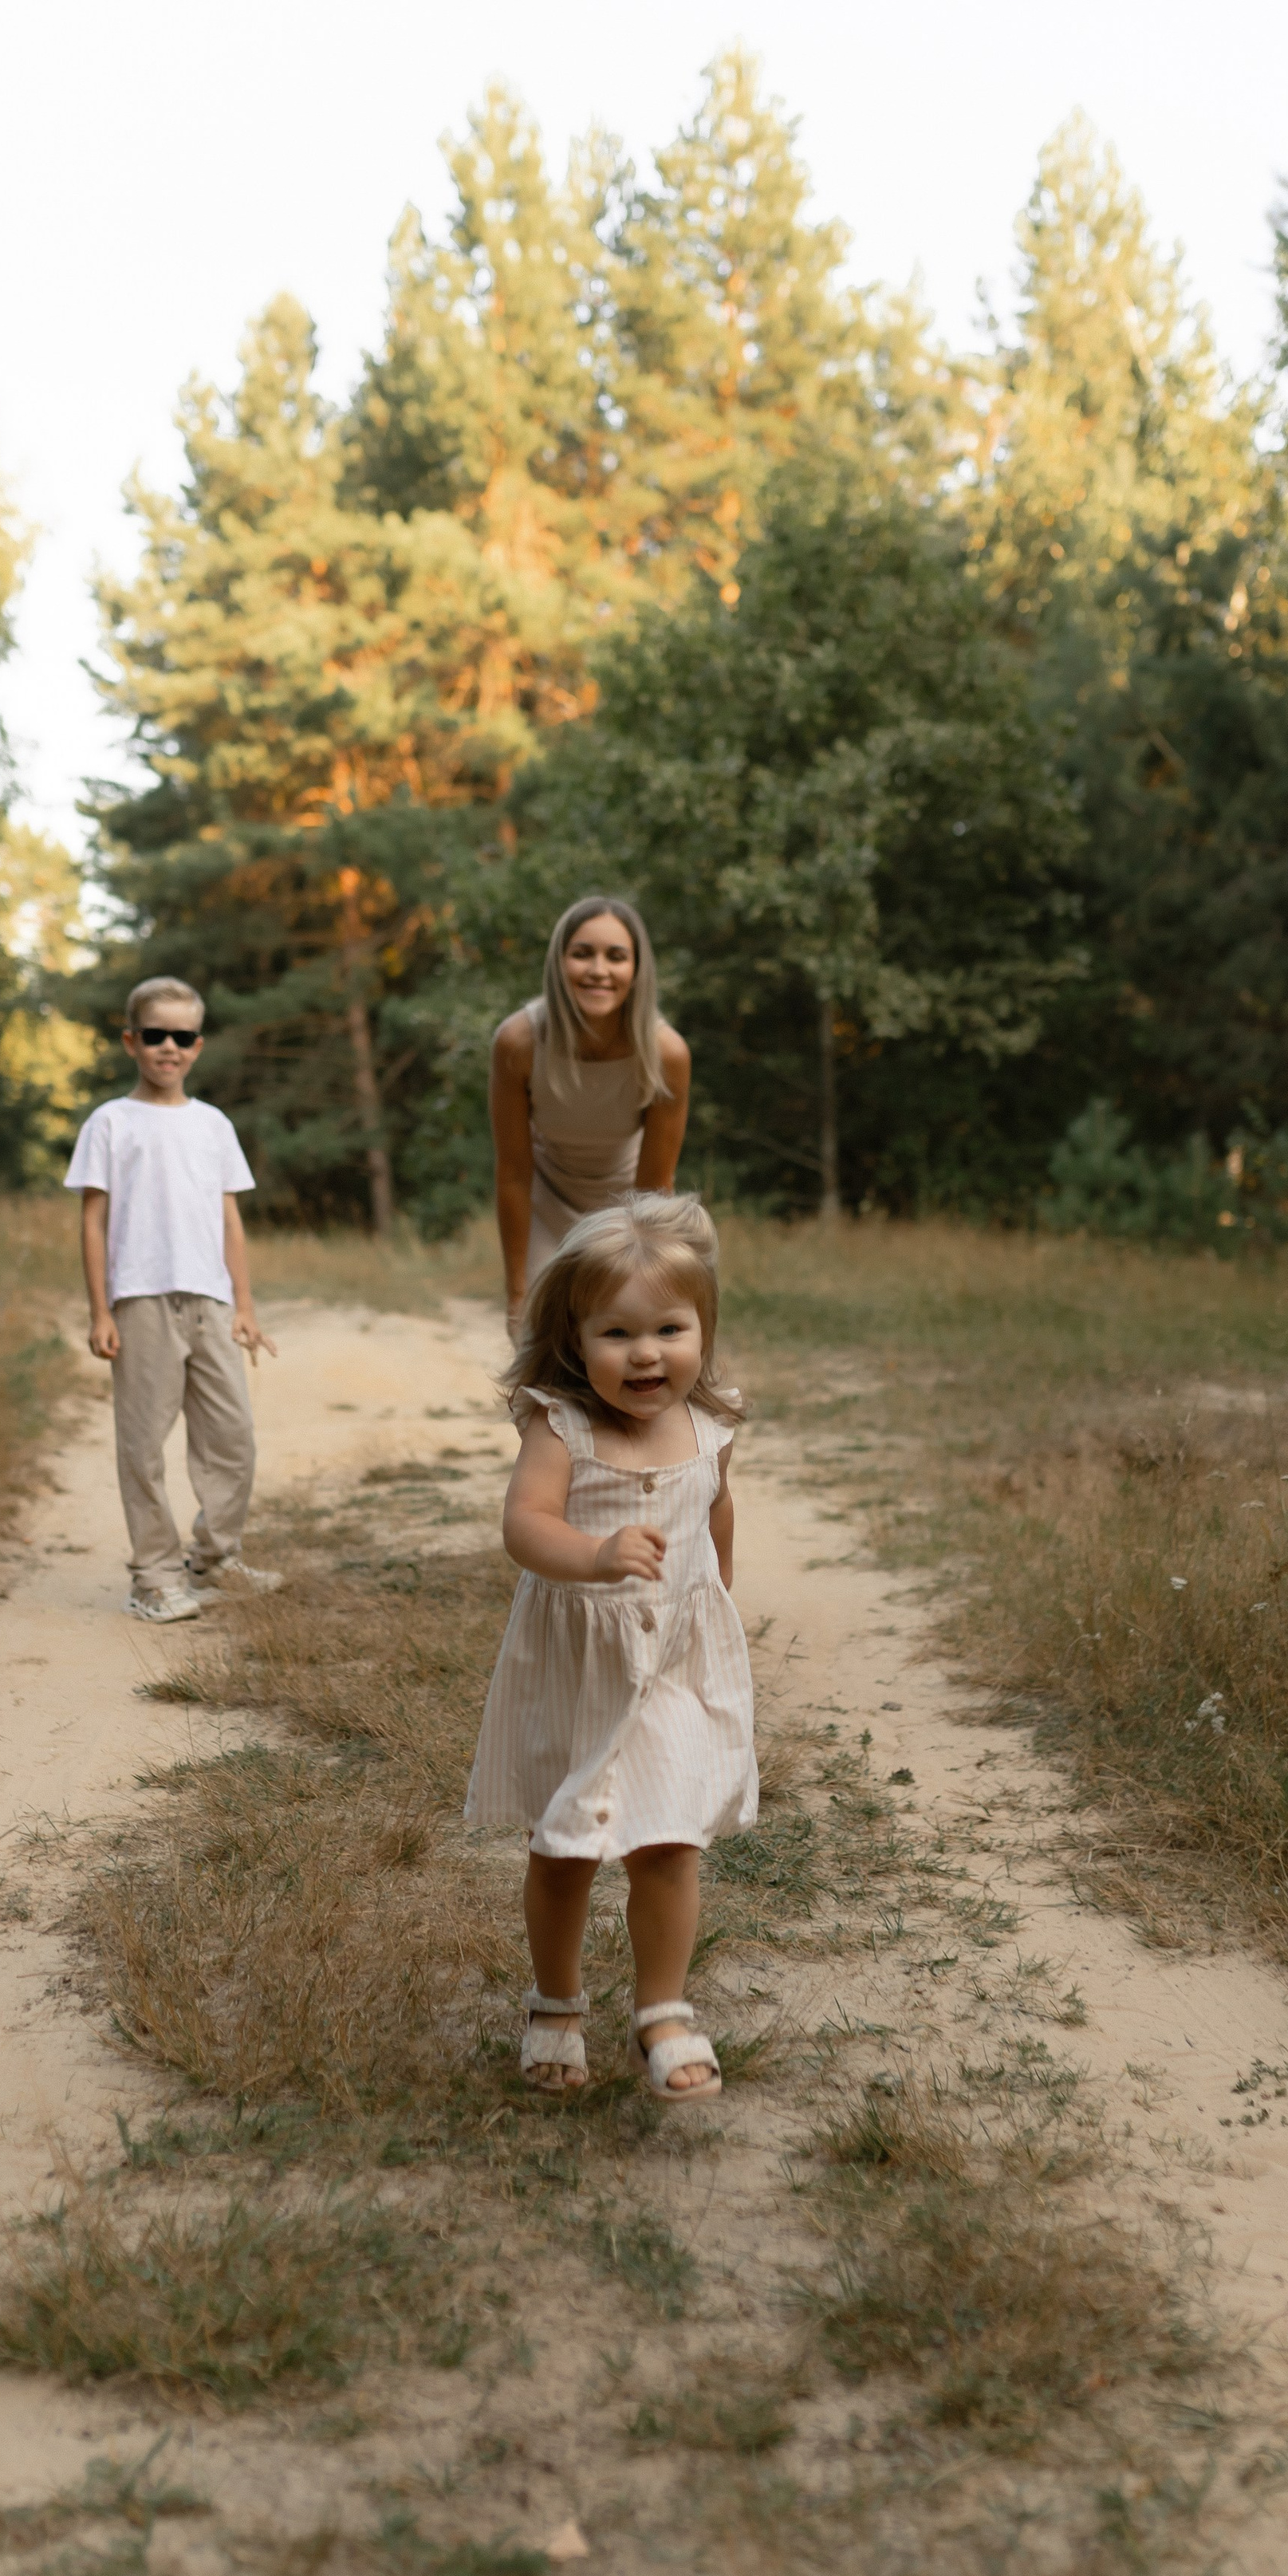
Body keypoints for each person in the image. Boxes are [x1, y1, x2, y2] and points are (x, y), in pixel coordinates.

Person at [465, 1190, 754, 2101]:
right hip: (580, 1663)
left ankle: (662, 2009)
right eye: (616, 1334)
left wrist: (715, 1603)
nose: (645, 1354)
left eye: (669, 1329)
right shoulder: (563, 1427)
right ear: (574, 1337)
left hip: (671, 1663)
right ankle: (555, 2003)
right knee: (566, 1846)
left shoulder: (711, 1427)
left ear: (702, 1328)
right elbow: (523, 1526)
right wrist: (591, 1556)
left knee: (669, 1842)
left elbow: (715, 1517)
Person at [67, 976, 276, 1625]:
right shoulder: (110, 1122)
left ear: (198, 1045)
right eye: (154, 1035)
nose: (168, 1047)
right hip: (141, 1301)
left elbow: (229, 1221)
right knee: (144, 1444)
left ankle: (214, 1558)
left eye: (182, 1037)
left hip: (209, 1301)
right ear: (131, 1041)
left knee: (232, 1437)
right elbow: (94, 1221)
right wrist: (101, 1310)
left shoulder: (213, 1125)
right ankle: (153, 1576)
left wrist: (244, 1304)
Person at [490, 896, 691, 1333]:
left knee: (626, 1335)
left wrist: (645, 1272)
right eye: (583, 954)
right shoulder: (518, 1042)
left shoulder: (666, 1053)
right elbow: (512, 1174)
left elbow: (655, 1185)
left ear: (636, 969)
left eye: (616, 956)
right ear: (559, 964)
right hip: (547, 1198)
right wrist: (517, 1291)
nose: (599, 970)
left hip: (627, 1205)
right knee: (542, 1342)